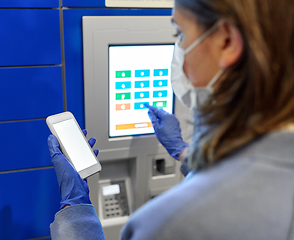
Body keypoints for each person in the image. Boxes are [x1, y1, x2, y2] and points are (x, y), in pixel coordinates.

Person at [48, 0, 294, 239]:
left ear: (226, 41)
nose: (180, 58)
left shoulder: (168, 225)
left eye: (181, 35)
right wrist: (185, 154)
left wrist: (76, 208)